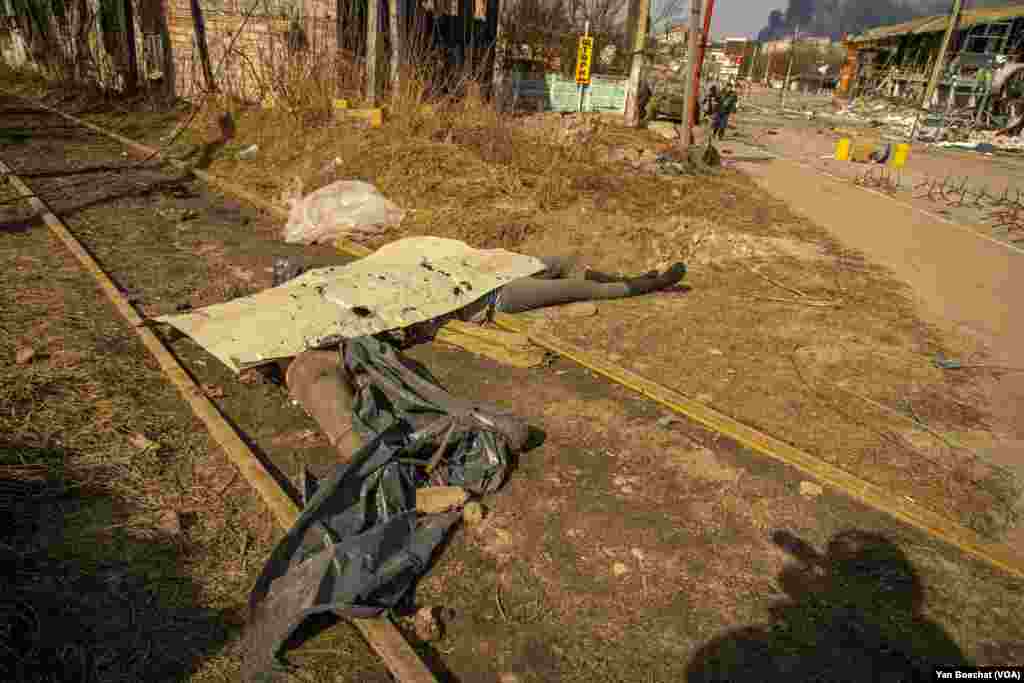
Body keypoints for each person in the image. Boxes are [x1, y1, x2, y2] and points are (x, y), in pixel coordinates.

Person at [276, 256, 688, 460]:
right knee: (573, 288)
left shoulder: (353, 285)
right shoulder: (344, 332)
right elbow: (334, 395)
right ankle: (640, 285)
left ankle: (605, 276)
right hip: (487, 295)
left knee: (559, 261)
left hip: (476, 272)